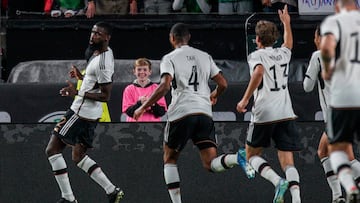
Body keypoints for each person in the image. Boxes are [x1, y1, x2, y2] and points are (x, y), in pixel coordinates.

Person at [133, 22, 255, 203]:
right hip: (204, 113)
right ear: (188, 38)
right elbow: (223, 83)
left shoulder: (170, 57)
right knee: (210, 164)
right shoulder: (204, 56)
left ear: (172, 38)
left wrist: (143, 107)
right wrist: (214, 95)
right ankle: (237, 158)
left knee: (170, 158)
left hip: (182, 112)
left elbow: (165, 85)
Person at [45, 21, 124, 203]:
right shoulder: (102, 53)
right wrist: (81, 77)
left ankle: (68, 198)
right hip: (89, 113)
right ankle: (112, 191)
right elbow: (95, 82)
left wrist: (77, 92)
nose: (92, 36)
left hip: (81, 113)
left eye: (97, 33)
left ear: (107, 38)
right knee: (78, 157)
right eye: (92, 32)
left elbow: (105, 96)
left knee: (52, 150)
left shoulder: (104, 63)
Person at [237, 5, 302, 203]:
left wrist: (245, 98)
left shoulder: (256, 56)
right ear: (275, 39)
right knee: (288, 161)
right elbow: (289, 44)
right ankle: (297, 199)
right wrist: (286, 24)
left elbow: (258, 72)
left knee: (250, 156)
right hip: (285, 112)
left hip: (264, 112)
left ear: (257, 39)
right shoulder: (283, 54)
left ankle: (277, 181)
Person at [320, 0, 360, 202]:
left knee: (335, 150)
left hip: (344, 97)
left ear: (337, 8)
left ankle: (351, 186)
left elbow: (326, 48)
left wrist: (327, 70)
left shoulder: (335, 23)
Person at [122, 58, 167, 122]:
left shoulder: (157, 88)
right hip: (133, 127)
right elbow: (129, 112)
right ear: (134, 71)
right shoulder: (129, 89)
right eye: (139, 69)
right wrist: (140, 103)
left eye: (145, 69)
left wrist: (151, 103)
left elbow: (161, 112)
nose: (142, 72)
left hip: (153, 127)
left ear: (150, 72)